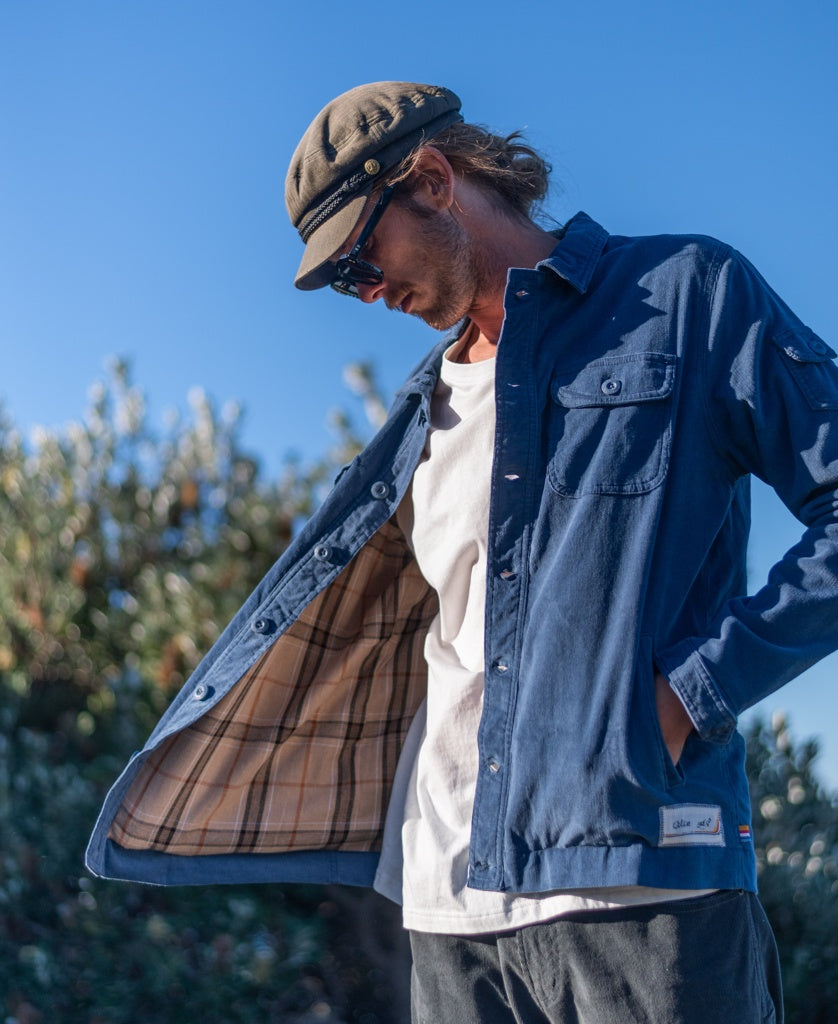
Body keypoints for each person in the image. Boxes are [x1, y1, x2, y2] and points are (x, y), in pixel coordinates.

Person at [87, 81, 838, 1022]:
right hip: (448, 908)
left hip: (643, 879)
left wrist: (693, 693)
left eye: (361, 257)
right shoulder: (415, 416)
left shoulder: (688, 295)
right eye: (344, 281)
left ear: (435, 181)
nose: (367, 292)